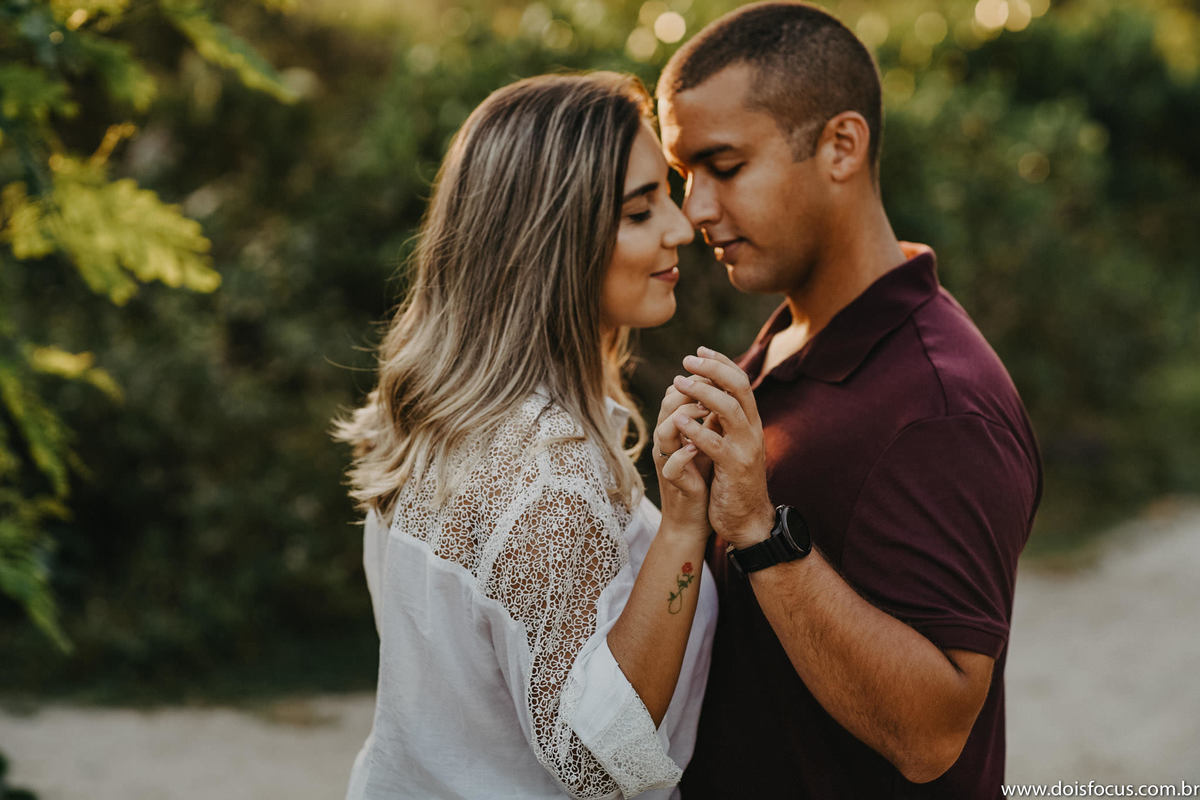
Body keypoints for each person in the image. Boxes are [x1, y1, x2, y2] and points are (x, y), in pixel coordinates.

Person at [654, 3, 1043, 798]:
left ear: (840, 146)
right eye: (683, 175)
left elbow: (933, 735)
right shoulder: (790, 340)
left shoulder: (941, 405)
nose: (694, 211)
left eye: (723, 167)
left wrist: (761, 535)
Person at [335, 72, 718, 799]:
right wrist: (683, 528)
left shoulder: (445, 417)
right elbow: (597, 765)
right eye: (641, 211)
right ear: (552, 238)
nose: (680, 227)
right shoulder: (545, 476)